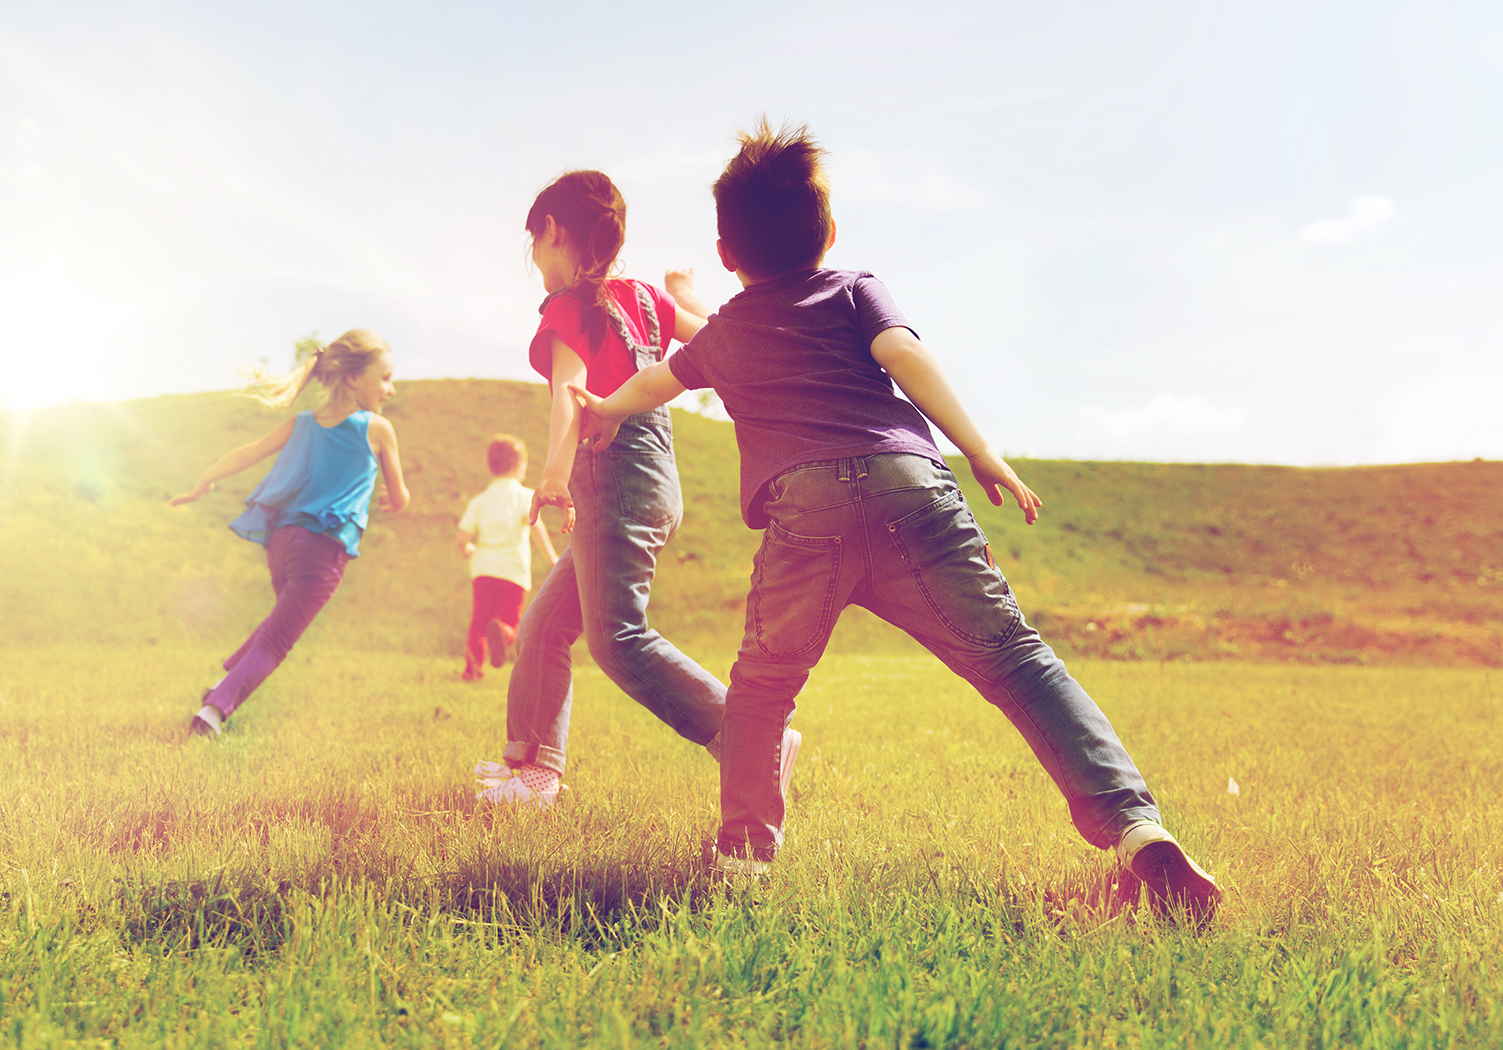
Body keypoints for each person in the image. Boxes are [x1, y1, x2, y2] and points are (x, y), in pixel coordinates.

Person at [571, 122, 1220, 921]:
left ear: (727, 252)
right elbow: (906, 358)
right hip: (912, 490)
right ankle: (1137, 829)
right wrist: (979, 449)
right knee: (1018, 661)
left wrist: (602, 409)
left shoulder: (730, 328)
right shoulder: (853, 288)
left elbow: (656, 383)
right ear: (829, 233)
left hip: (804, 510)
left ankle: (744, 856)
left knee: (764, 689)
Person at [472, 169, 801, 809]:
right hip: (654, 478)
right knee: (543, 625)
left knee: (616, 637)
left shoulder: (570, 307)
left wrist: (550, 476)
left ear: (554, 233)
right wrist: (688, 295)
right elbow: (716, 340)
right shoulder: (646, 298)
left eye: (534, 244)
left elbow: (570, 396)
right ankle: (533, 774)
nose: (535, 260)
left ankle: (757, 743)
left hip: (611, 474)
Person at [169, 329, 409, 737]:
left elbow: (248, 452)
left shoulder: (301, 423)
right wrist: (391, 498)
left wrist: (202, 482)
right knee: (277, 642)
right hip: (324, 551)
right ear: (353, 378)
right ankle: (212, 713)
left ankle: (224, 682)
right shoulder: (378, 429)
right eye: (385, 377)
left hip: (282, 542)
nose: (391, 388)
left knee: (279, 618)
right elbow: (401, 497)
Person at [458, 434, 560, 681]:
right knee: (511, 622)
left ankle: (473, 670)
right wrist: (552, 558)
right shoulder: (525, 497)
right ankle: (503, 633)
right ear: (518, 466)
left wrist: (468, 549)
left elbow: (462, 536)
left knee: (478, 621)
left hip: (484, 568)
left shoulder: (480, 500)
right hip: (513, 572)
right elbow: (536, 526)